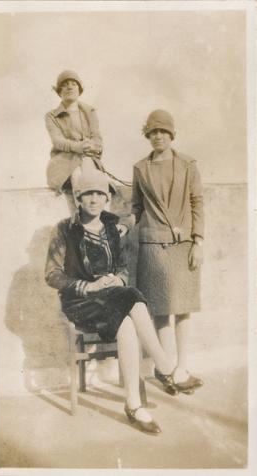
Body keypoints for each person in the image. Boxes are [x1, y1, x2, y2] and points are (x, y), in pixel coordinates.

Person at [45, 169, 180, 435]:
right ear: (78, 199)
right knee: (129, 309)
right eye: (87, 194)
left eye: (100, 193)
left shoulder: (112, 226)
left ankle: (135, 403)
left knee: (128, 313)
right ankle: (165, 369)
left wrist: (118, 279)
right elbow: (52, 274)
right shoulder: (64, 229)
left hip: (110, 296)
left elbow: (122, 266)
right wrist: (88, 285)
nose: (94, 199)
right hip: (79, 301)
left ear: (107, 197)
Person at [131, 109, 204, 395]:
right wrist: (130, 222)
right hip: (152, 246)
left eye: (163, 131)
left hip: (184, 245)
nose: (158, 136)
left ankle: (182, 368)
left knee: (184, 309)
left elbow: (197, 203)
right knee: (161, 311)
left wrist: (198, 242)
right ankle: (168, 368)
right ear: (147, 135)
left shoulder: (188, 165)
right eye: (153, 132)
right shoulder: (140, 168)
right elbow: (136, 206)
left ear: (172, 134)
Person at [45, 70, 105, 211]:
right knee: (77, 174)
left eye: (73, 84)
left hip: (88, 159)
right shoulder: (52, 116)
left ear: (79, 89)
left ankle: (92, 220)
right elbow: (58, 141)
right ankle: (81, 220)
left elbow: (97, 138)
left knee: (96, 182)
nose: (70, 87)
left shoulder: (90, 111)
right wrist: (78, 147)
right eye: (65, 85)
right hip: (64, 162)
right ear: (59, 91)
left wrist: (93, 146)